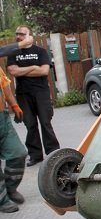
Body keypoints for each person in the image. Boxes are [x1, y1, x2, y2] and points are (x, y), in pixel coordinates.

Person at [7, 26, 60, 166]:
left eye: (22, 34)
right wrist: (33, 68)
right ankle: (35, 155)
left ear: (30, 36)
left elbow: (43, 71)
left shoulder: (40, 52)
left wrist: (22, 70)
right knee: (30, 124)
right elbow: (13, 71)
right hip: (23, 94)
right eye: (17, 34)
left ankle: (53, 153)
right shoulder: (13, 53)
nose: (18, 36)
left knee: (45, 122)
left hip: (41, 92)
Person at [0, 66, 27, 213]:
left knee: (18, 153)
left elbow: (5, 89)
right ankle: (2, 200)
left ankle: (10, 189)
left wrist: (14, 105)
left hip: (2, 118)